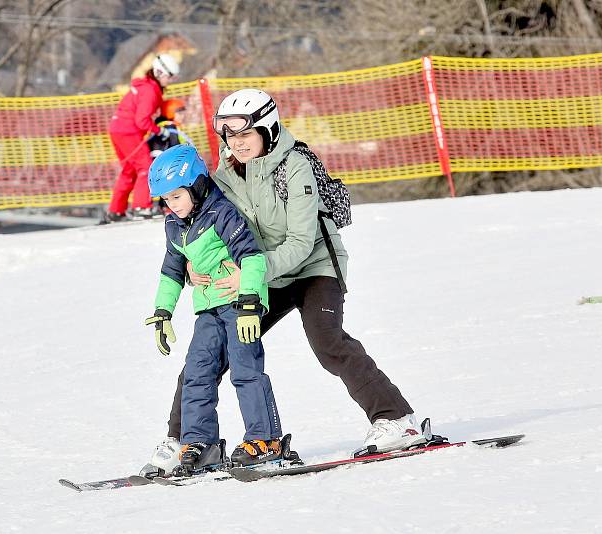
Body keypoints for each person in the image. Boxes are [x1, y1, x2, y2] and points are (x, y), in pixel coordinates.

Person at [142, 89, 423, 474]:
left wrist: (249, 273)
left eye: (245, 134)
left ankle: (397, 421)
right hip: (257, 274)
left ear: (268, 129)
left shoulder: (294, 166)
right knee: (213, 351)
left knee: (328, 342)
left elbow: (301, 241)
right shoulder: (222, 178)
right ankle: (185, 440)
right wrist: (194, 270)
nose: (237, 144)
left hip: (313, 268)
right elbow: (206, 231)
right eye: (230, 137)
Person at [140, 143, 284, 476]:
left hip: (238, 303)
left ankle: (265, 440)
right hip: (208, 308)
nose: (171, 206)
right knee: (197, 372)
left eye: (177, 196)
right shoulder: (175, 226)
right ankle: (200, 443)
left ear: (196, 185)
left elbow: (251, 256)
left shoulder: (221, 212)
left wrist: (249, 302)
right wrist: (162, 312)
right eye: (166, 200)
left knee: (246, 369)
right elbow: (171, 270)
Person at [103, 54, 180, 223]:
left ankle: (116, 210)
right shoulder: (150, 90)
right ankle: (141, 207)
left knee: (128, 170)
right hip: (128, 131)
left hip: (117, 128)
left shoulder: (147, 86)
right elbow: (142, 120)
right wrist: (159, 131)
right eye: (169, 76)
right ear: (159, 72)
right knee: (145, 167)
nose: (171, 80)